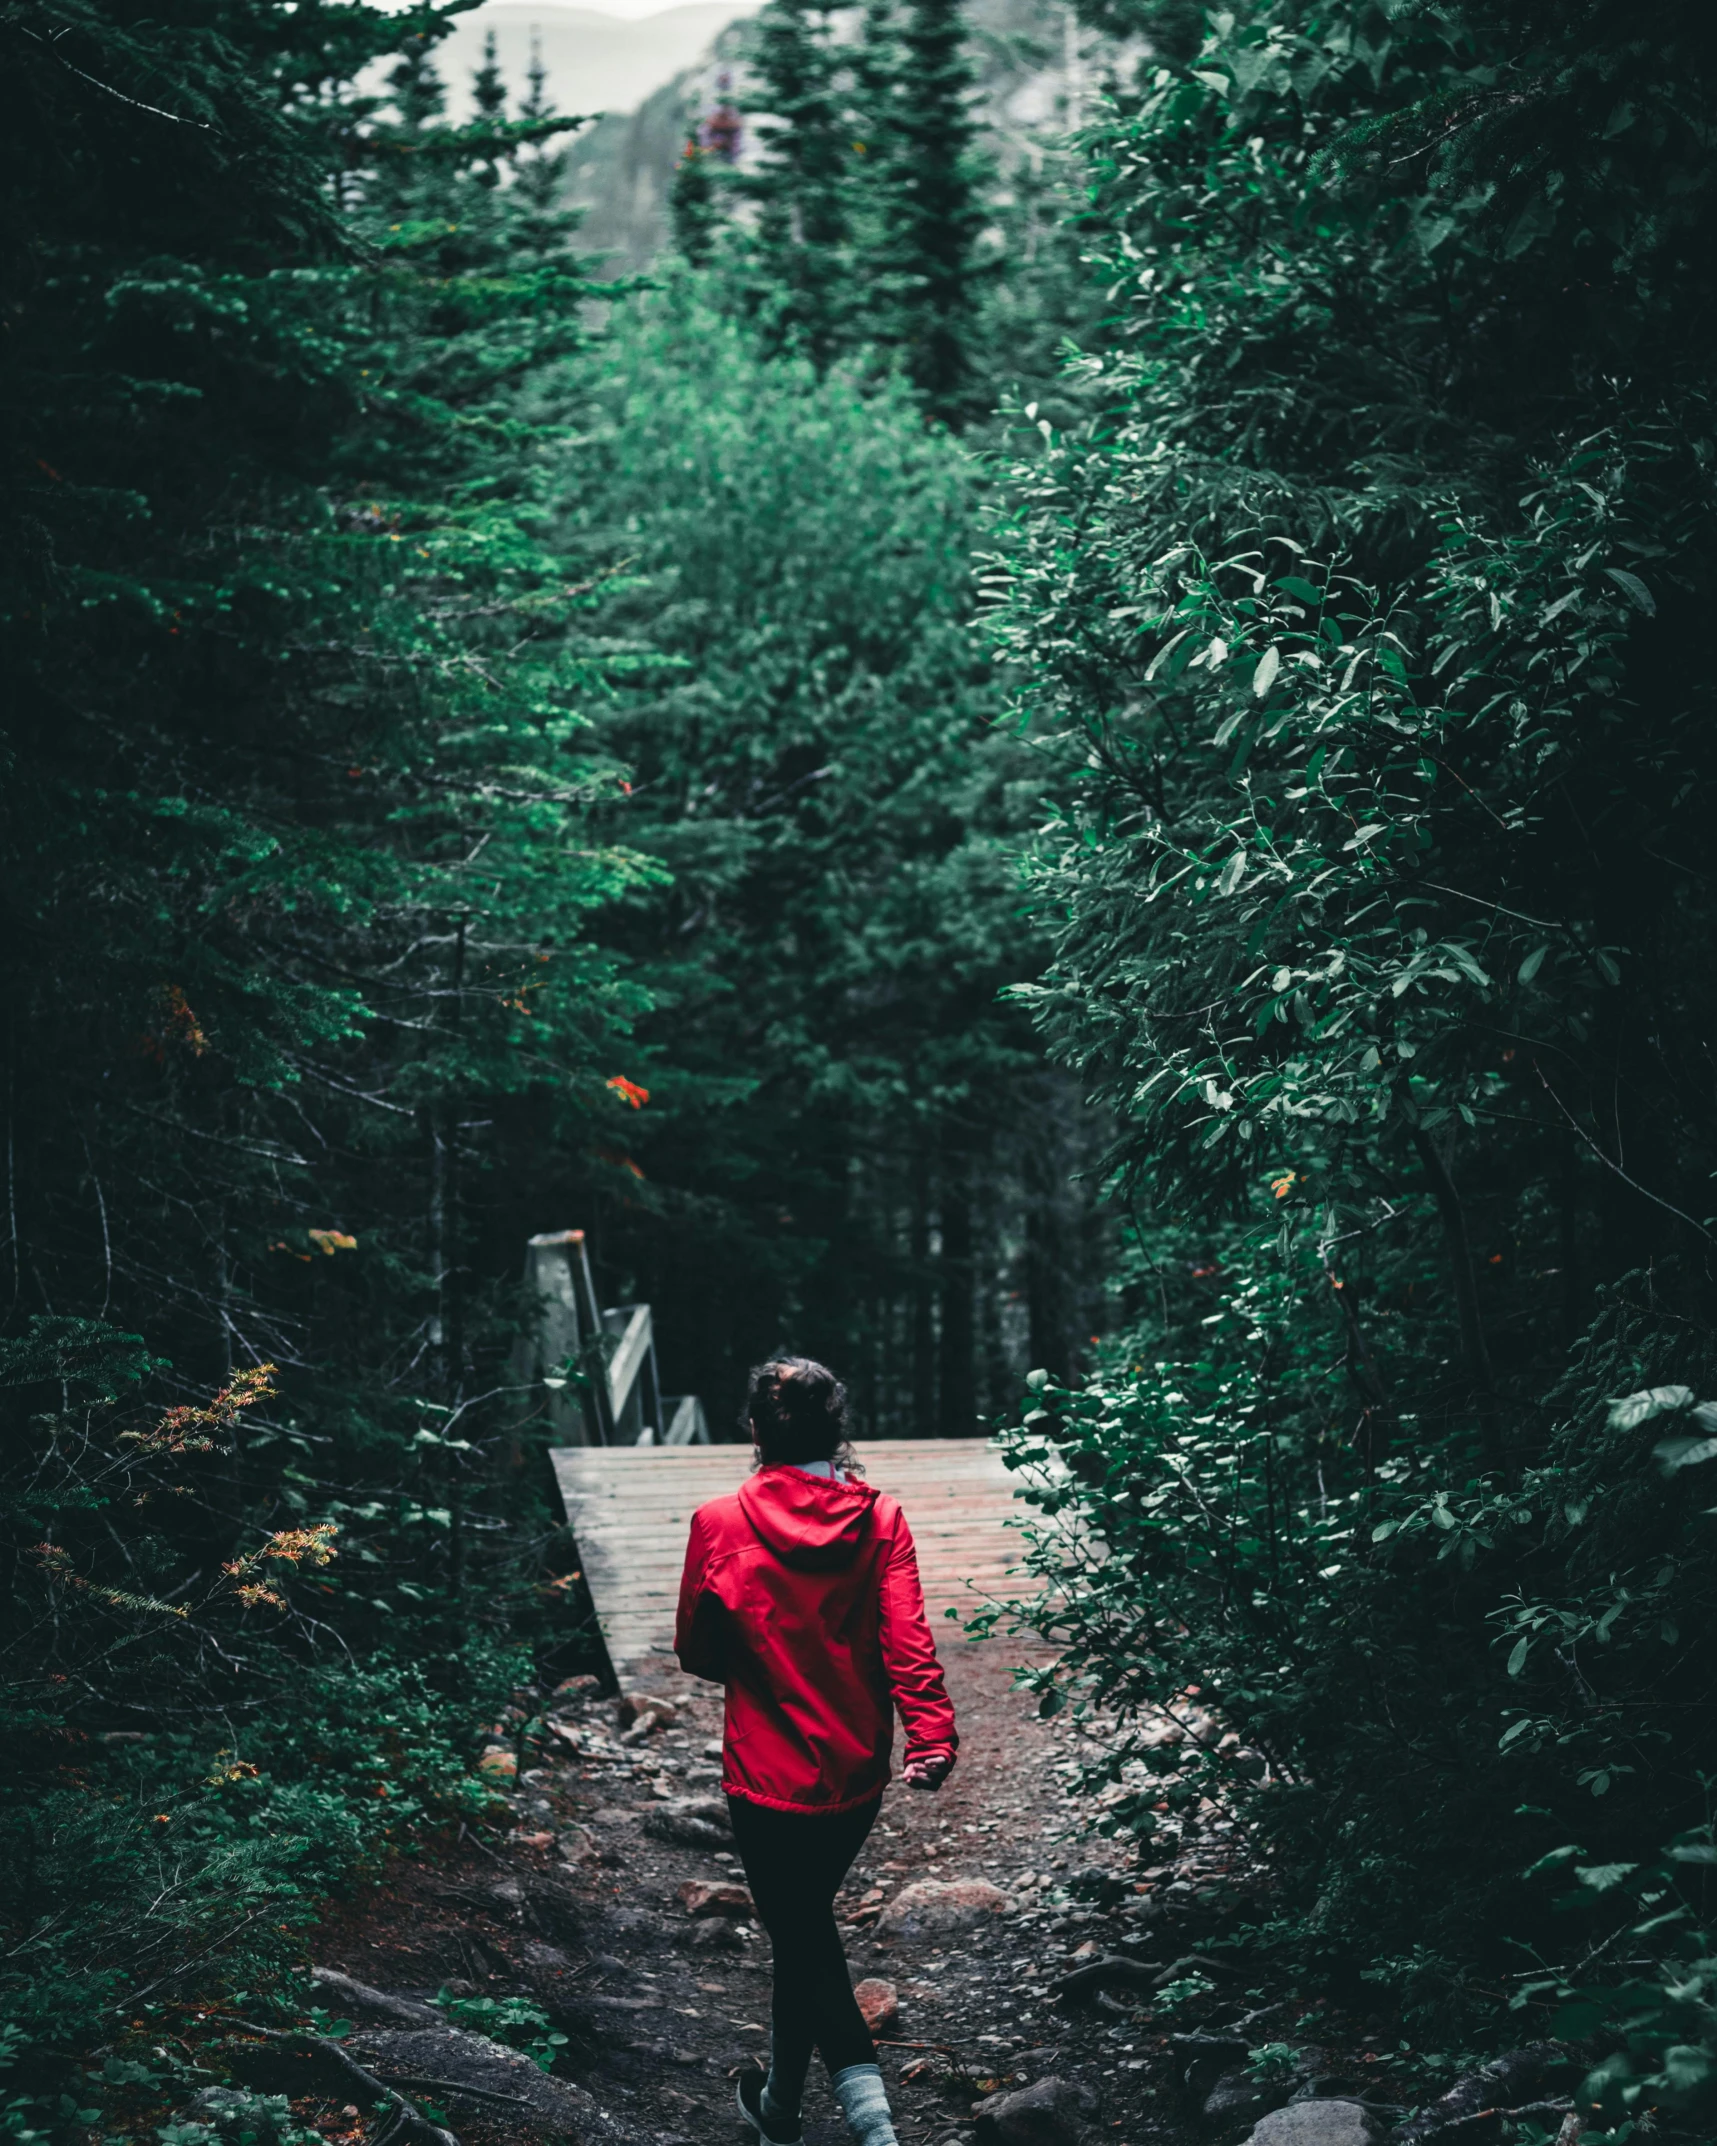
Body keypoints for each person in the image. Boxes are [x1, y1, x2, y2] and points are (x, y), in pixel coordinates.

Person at [674, 1356, 958, 2146]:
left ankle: (874, 2125)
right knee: (803, 1931)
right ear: (838, 1430)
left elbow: (697, 1650)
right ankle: (777, 2111)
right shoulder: (881, 1520)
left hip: (762, 1775)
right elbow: (908, 1643)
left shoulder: (717, 1524)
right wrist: (930, 1737)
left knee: (799, 1932)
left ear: (756, 1432)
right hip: (854, 1771)